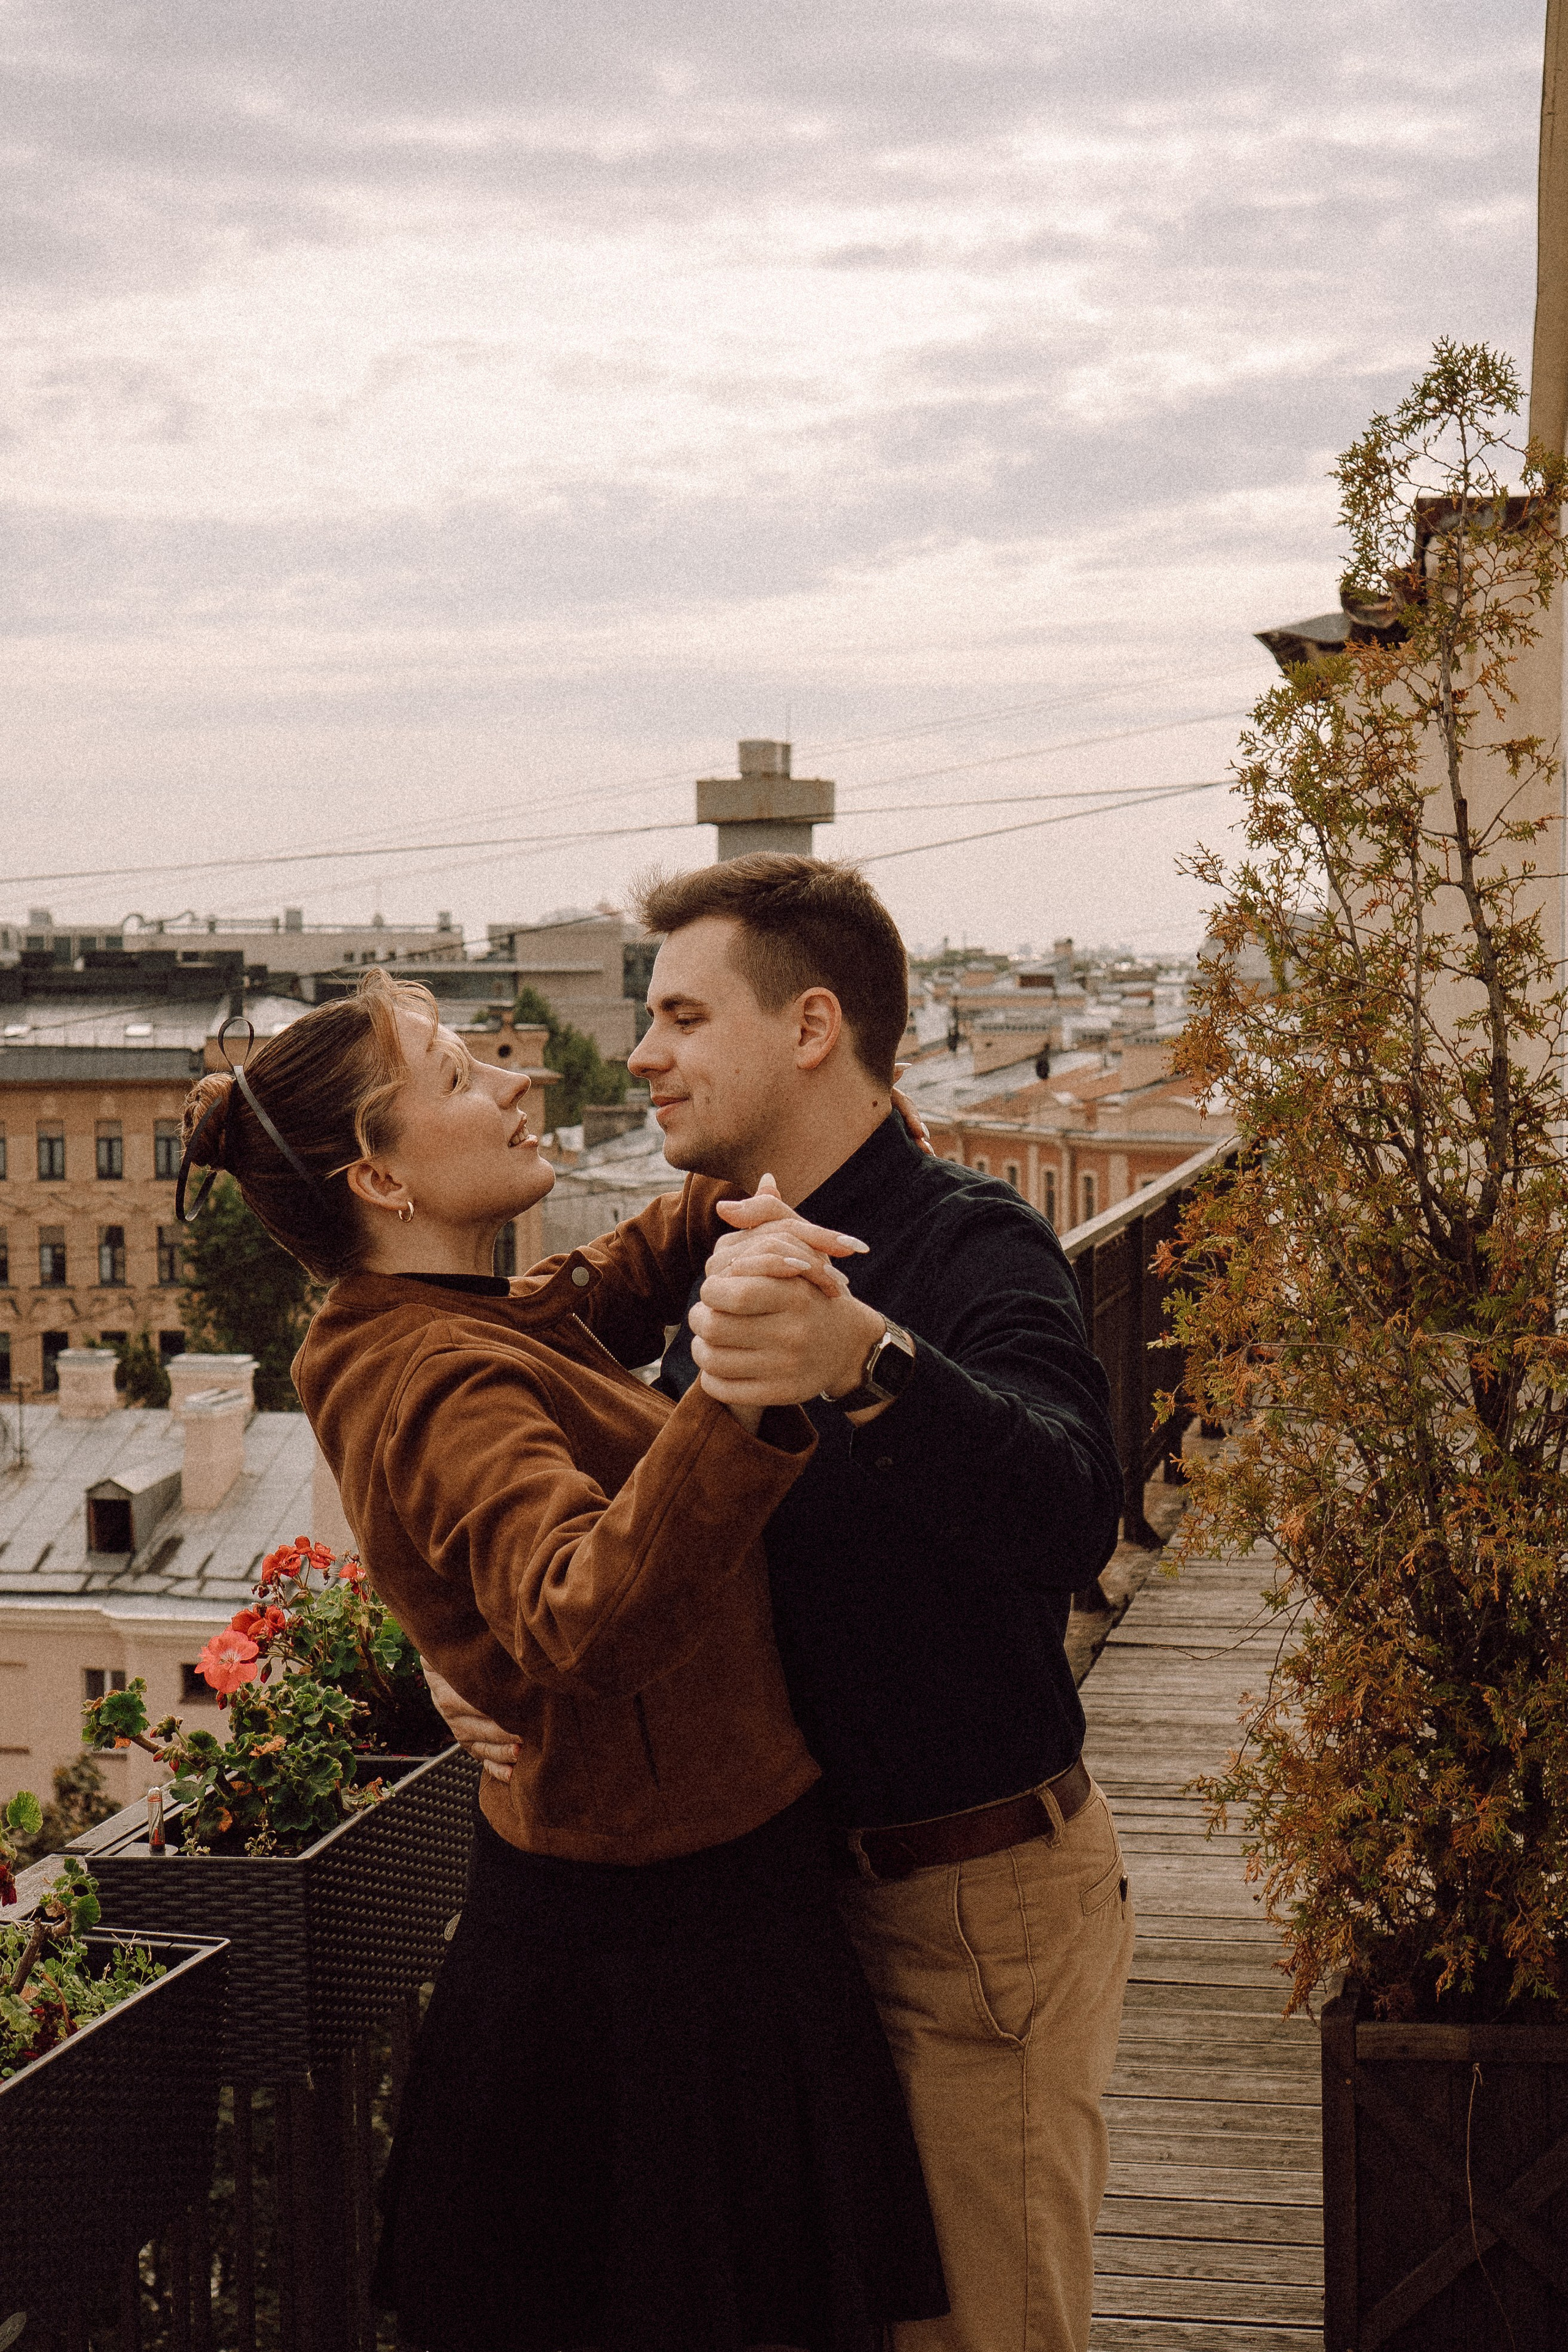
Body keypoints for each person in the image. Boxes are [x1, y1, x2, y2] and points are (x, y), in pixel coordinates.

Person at [173, 974, 947, 2352]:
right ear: (381, 1178)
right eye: (459, 1076)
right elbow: (575, 1614)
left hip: (641, 1925)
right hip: (662, 1965)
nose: (516, 1081)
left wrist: (734, 1198)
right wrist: (739, 1388)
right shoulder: (439, 1375)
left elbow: (587, 1293)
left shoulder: (434, 1317)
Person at [438, 856, 1135, 2352]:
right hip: (772, 1922)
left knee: (982, 2332)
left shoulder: (964, 1240)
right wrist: (475, 1662)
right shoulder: (719, 1244)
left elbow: (1074, 1507)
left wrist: (867, 1362)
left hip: (963, 1916)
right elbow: (639, 1552)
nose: (641, 1055)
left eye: (683, 1018)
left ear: (811, 1026)